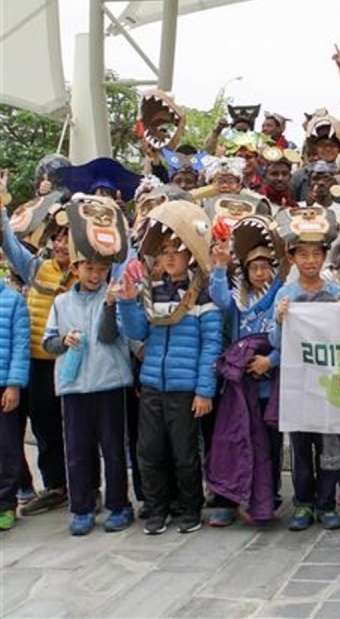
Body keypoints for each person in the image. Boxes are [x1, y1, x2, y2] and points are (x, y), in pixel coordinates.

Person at [115, 203, 223, 535]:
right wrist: (127, 301)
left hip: (185, 388)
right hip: (151, 386)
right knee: (148, 451)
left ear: (191, 254)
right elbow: (136, 332)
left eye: (177, 249)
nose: (170, 257)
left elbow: (212, 346)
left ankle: (189, 509)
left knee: (185, 453)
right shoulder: (152, 291)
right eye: (163, 251)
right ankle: (157, 510)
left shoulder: (204, 296)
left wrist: (205, 390)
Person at [42, 198, 134, 535]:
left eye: (100, 269)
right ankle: (81, 507)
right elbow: (48, 343)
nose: (95, 275)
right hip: (74, 386)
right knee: (78, 452)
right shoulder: (61, 302)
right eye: (89, 269)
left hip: (108, 383)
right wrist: (63, 341)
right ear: (76, 268)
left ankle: (119, 506)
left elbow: (110, 338)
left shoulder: (115, 297)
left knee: (113, 450)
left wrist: (110, 305)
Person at [206, 216, 287, 527]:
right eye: (253, 268)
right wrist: (219, 266)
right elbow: (219, 298)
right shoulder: (240, 298)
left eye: (265, 267)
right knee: (235, 438)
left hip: (269, 383)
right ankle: (231, 497)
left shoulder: (281, 295)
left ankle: (268, 496)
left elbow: (290, 336)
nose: (259, 273)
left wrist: (272, 360)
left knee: (269, 442)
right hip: (241, 384)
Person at [269, 206, 340, 532]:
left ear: (326, 256)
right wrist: (279, 319)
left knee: (329, 444)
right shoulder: (285, 294)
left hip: (327, 383)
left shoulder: (337, 293)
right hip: (297, 383)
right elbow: (276, 342)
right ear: (292, 259)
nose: (311, 260)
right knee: (301, 447)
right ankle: (302, 502)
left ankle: (327, 502)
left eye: (317, 254)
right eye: (303, 254)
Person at [0, 174, 72, 517]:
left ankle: (57, 485)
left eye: (68, 242)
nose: (61, 246)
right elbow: (11, 246)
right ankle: (22, 485)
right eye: (58, 239)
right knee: (14, 426)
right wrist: (2, 206)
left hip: (55, 361)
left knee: (47, 426)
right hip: (25, 358)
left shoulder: (84, 275)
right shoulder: (36, 268)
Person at [0, 267, 31, 531]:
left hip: (4, 386)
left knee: (7, 447)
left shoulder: (13, 301)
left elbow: (21, 346)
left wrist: (14, 384)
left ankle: (6, 504)